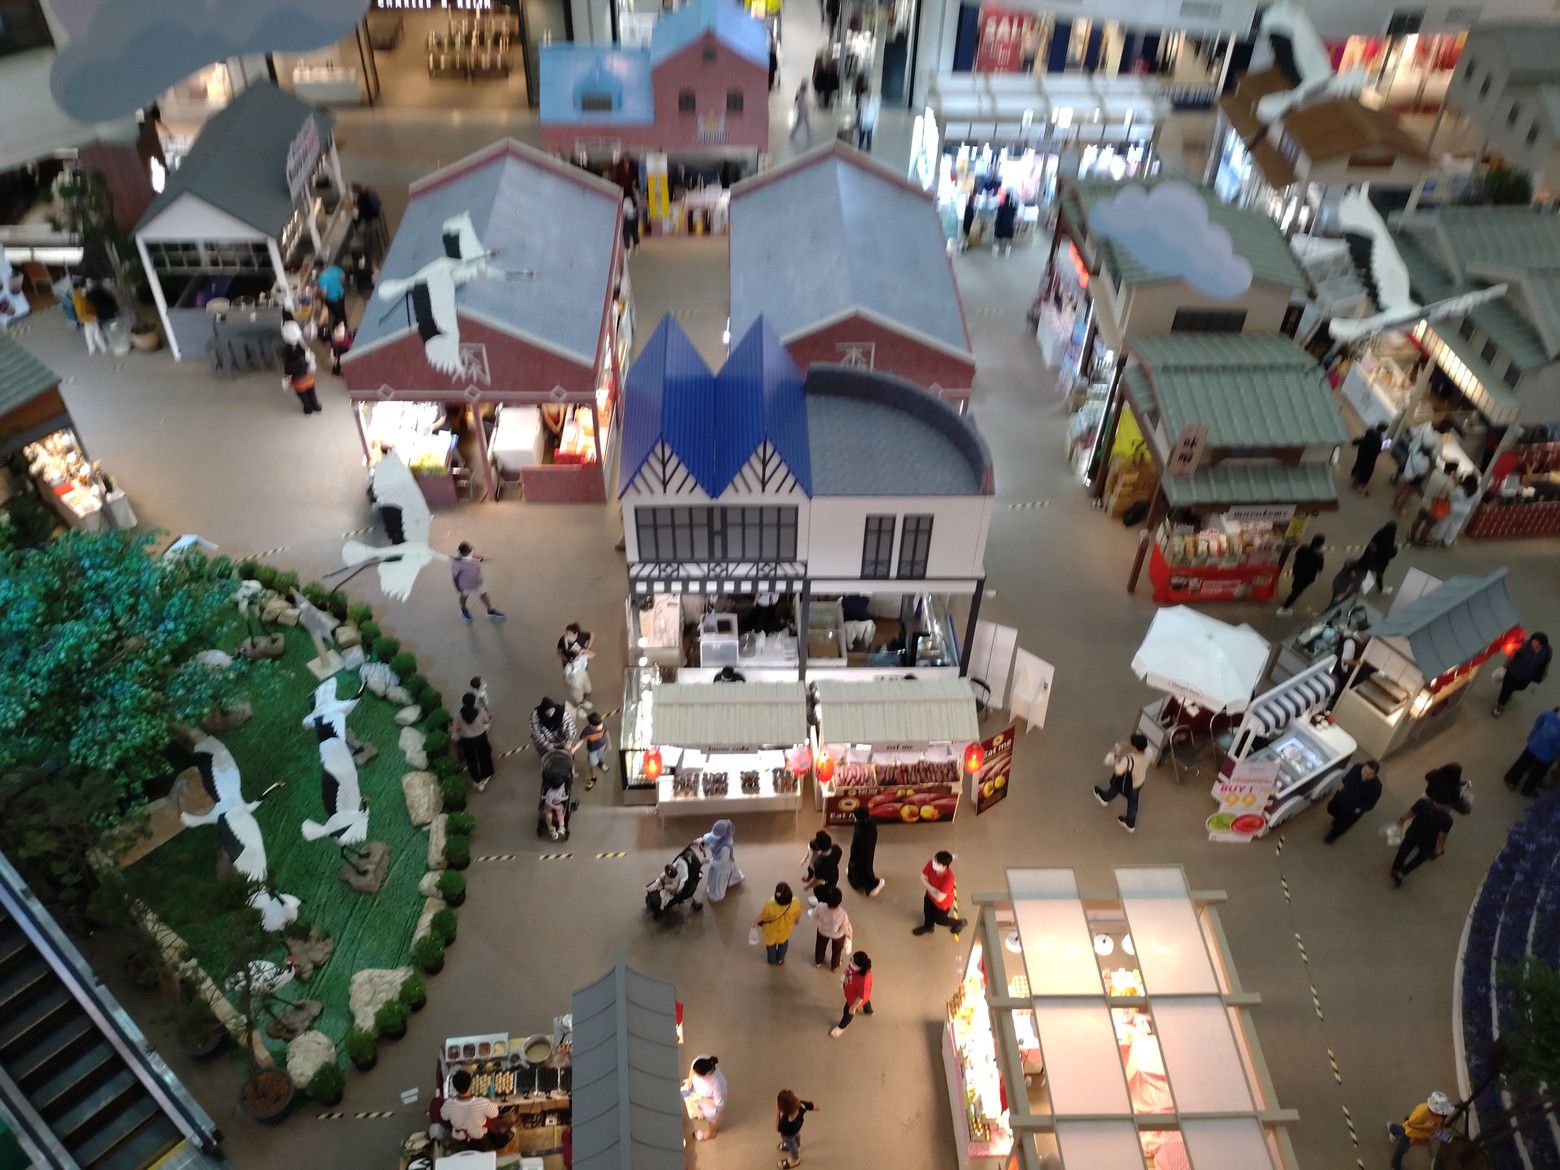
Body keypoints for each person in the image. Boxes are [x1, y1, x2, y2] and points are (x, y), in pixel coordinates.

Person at [1391, 793, 1454, 887]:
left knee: (1403, 851)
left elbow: (1409, 814)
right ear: (1445, 805)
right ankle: (1402, 872)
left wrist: (1401, 821)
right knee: (1420, 858)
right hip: (1428, 841)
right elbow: (1442, 836)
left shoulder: (1423, 803)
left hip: (1413, 833)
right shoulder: (1447, 819)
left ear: (1434, 799)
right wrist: (1439, 848)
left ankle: (1395, 869)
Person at [1093, 732, 1151, 833]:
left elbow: (1118, 771)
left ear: (1135, 747)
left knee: (1115, 787)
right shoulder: (1149, 752)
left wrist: (1116, 754)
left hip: (1127, 782)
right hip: (1139, 782)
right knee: (1133, 803)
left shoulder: (1128, 759)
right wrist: (1129, 746)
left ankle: (1105, 798)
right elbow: (1139, 751)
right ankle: (1130, 823)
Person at [441, 1068, 512, 1150]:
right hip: (478, 1136)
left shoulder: (448, 1104)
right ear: (471, 1084)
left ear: (454, 1087)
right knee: (497, 1140)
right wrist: (492, 1098)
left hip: (459, 1137)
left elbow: (444, 1116)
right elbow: (495, 1114)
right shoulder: (482, 1103)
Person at [1388, 1090, 1456, 1170]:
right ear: (1434, 1111)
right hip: (1411, 1134)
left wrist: (1448, 1139)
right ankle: (1395, 1166)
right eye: (1441, 1114)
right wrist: (1423, 1129)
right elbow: (1409, 1125)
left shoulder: (1438, 1117)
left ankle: (1392, 1127)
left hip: (1419, 1133)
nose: (1441, 1118)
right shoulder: (1421, 1112)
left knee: (1401, 1131)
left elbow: (1437, 1130)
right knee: (1402, 1149)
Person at [1504, 706, 1560, 796]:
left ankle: (1511, 780)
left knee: (1523, 762)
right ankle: (1527, 790)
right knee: (1538, 772)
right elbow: (1557, 746)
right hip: (1547, 755)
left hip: (1534, 744)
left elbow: (1537, 726)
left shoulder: (1547, 715)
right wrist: (1555, 756)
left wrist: (1531, 736)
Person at [1493, 632, 1552, 716]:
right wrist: (1505, 666)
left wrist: (1543, 675)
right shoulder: (1523, 645)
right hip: (1512, 673)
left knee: (1519, 687)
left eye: (1537, 644)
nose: (1534, 645)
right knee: (1505, 690)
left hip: (1526, 677)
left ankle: (1509, 692)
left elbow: (1546, 664)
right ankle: (1500, 706)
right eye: (1533, 641)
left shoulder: (1547, 651)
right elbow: (1512, 655)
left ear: (1543, 645)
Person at [1323, 759, 1381, 842]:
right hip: (1343, 797)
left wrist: (1357, 810)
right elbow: (1347, 778)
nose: (1365, 775)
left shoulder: (1376, 787)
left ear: (1375, 775)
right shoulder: (1357, 767)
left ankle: (1333, 835)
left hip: (1353, 807)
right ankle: (1337, 819)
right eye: (1364, 771)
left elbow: (1369, 804)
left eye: (1370, 774)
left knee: (1343, 824)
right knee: (1331, 808)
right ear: (1363, 766)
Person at [913, 850, 967, 936]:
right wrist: (934, 890)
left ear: (945, 866)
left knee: (940, 920)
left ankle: (959, 923)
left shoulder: (949, 878)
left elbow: (940, 898)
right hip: (929, 896)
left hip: (943, 904)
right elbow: (922, 877)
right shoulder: (930, 864)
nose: (934, 863)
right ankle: (928, 927)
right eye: (935, 860)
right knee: (927, 912)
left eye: (938, 863)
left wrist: (928, 885)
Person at [450, 542, 505, 621]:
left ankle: (490, 610)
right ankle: (463, 610)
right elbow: (455, 576)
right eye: (470, 550)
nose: (472, 550)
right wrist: (457, 587)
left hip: (478, 581)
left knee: (484, 594)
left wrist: (484, 559)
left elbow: (478, 558)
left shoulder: (471, 557)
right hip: (466, 585)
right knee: (464, 597)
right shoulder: (456, 563)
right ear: (464, 553)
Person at [454, 692, 495, 792]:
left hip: (466, 740)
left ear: (463, 702)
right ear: (474, 702)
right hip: (481, 738)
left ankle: (477, 781)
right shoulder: (480, 712)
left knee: (471, 760)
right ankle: (486, 775)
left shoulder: (459, 715)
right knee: (484, 756)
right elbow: (487, 722)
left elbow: (455, 728)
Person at [1277, 534, 1325, 616]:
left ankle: (1293, 590)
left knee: (1296, 583)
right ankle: (1286, 606)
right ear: (1321, 544)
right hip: (1307, 576)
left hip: (1297, 571)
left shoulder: (1303, 547)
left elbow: (1296, 556)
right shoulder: (1319, 555)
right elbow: (1320, 568)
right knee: (1297, 592)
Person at [755, 882, 803, 965]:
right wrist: (797, 920)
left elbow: (762, 916)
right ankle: (780, 959)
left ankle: (772, 960)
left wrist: (755, 922)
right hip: (785, 930)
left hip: (771, 931)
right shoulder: (796, 902)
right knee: (783, 943)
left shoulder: (770, 904)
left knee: (771, 946)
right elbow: (798, 914)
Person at [1410, 461, 1456, 545]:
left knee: (1418, 519)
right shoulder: (1450, 483)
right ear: (1453, 472)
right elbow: (1450, 498)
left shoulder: (1435, 472)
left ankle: (1411, 536)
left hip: (1425, 501)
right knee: (1428, 525)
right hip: (1434, 507)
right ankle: (1421, 540)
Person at [829, 950, 873, 1037]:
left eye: (853, 962)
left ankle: (841, 1027)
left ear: (860, 967)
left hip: (854, 999)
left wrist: (853, 1007)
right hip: (856, 993)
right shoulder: (854, 964)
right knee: (866, 1001)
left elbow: (860, 997)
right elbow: (848, 969)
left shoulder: (863, 981)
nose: (850, 962)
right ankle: (868, 1010)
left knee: (847, 1012)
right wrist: (844, 978)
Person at [683, 1055, 727, 1142]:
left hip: (711, 1106)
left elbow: (719, 1103)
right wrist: (690, 1079)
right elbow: (693, 1066)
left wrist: (700, 1098)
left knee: (712, 1120)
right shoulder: (701, 1060)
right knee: (698, 1108)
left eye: (697, 1074)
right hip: (698, 1097)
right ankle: (701, 1113)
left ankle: (711, 1133)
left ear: (706, 1074)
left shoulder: (717, 1084)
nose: (695, 1074)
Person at [280, 320, 320, 414]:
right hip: (308, 377)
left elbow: (288, 368)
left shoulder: (286, 352)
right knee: (312, 392)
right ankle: (315, 405)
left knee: (303, 396)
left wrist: (287, 379)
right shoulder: (303, 348)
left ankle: (308, 408)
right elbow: (310, 360)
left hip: (298, 380)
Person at [847, 806, 885, 896]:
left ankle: (860, 883)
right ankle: (867, 884)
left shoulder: (859, 826)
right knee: (865, 867)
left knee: (858, 866)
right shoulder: (871, 823)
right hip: (866, 852)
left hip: (859, 852)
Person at [703, 819, 743, 901]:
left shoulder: (726, 847)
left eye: (716, 835)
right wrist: (700, 840)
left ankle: (716, 895)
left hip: (723, 866)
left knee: (719, 880)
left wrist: (709, 861)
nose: (713, 836)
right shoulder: (716, 836)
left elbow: (722, 864)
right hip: (716, 859)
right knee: (714, 872)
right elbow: (709, 837)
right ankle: (733, 879)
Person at [812, 886, 851, 971]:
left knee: (820, 946)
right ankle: (835, 966)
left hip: (822, 931)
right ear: (839, 901)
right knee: (837, 951)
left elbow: (814, 916)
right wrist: (849, 935)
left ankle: (818, 961)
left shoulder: (820, 906)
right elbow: (845, 926)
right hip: (837, 935)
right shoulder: (842, 913)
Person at [775, 1090, 816, 1169]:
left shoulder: (785, 1120)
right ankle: (798, 1146)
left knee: (791, 1144)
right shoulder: (801, 1105)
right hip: (796, 1129)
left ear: (782, 1108)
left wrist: (777, 1111)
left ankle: (795, 1159)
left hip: (788, 1135)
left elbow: (777, 1128)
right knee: (796, 1137)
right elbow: (814, 1106)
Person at [1359, 521, 1399, 594]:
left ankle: (1360, 581)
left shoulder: (1380, 532)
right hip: (1380, 561)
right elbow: (1389, 554)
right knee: (1379, 574)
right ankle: (1380, 588)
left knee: (1367, 569)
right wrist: (1395, 550)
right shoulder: (1389, 540)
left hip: (1370, 556)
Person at [1350, 422, 1388, 494]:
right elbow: (1378, 451)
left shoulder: (1370, 431)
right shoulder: (1379, 439)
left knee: (1359, 466)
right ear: (1384, 430)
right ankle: (1361, 486)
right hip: (1370, 458)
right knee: (1367, 472)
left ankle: (1354, 483)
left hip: (1362, 454)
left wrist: (1355, 442)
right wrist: (1383, 448)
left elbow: (1362, 439)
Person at [70, 279, 106, 355]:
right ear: (79, 288)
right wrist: (94, 318)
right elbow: (82, 313)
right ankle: (103, 347)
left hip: (86, 318)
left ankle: (91, 348)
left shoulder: (76, 296)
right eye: (83, 287)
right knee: (96, 333)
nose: (85, 288)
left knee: (89, 334)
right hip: (89, 317)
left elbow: (79, 312)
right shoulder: (80, 299)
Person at [802, 831, 842, 899]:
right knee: (830, 889)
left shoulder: (818, 863)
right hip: (835, 875)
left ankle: (820, 902)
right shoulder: (836, 848)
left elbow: (816, 880)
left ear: (819, 847)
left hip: (824, 882)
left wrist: (807, 887)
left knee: (822, 894)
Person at [313, 260, 348, 330]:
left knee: (337, 315)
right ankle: (344, 325)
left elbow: (324, 293)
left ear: (317, 268)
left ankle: (341, 330)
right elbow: (343, 276)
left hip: (332, 299)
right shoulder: (334, 268)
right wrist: (339, 285)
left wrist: (318, 295)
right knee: (342, 312)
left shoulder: (322, 278)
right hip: (341, 294)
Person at [582, 711, 610, 790]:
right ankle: (593, 778)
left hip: (602, 747)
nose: (601, 726)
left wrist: (608, 743)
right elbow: (581, 740)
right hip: (592, 751)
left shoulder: (602, 726)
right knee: (592, 764)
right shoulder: (587, 731)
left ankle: (601, 763)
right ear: (591, 725)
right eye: (598, 725)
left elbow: (606, 732)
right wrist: (573, 748)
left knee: (601, 757)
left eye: (601, 724)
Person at [542, 766, 569, 839]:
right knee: (549, 815)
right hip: (550, 804)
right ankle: (550, 828)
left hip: (559, 802)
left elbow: (563, 792)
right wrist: (555, 806)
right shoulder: (550, 793)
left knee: (560, 812)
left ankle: (561, 827)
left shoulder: (562, 785)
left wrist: (564, 797)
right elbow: (548, 803)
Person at [992, 190, 1018, 257]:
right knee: (1009, 240)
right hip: (1009, 228)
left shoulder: (1000, 207)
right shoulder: (1013, 209)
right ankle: (1007, 253)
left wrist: (995, 224)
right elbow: (1014, 219)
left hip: (1000, 227)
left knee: (997, 239)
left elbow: (997, 217)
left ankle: (995, 252)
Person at [856, 86, 880, 151]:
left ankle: (868, 146)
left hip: (870, 121)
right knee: (861, 134)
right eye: (867, 92)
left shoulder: (875, 100)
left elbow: (876, 113)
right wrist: (857, 120)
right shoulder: (862, 98)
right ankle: (860, 145)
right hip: (862, 120)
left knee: (869, 136)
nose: (868, 93)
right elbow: (859, 109)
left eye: (870, 92)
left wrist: (875, 123)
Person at [790, 81, 813, 146]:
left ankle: (809, 135)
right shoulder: (800, 92)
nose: (807, 87)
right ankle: (792, 134)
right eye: (806, 86)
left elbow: (802, 100)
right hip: (802, 109)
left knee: (807, 123)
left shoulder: (804, 92)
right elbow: (799, 100)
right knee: (800, 123)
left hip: (805, 109)